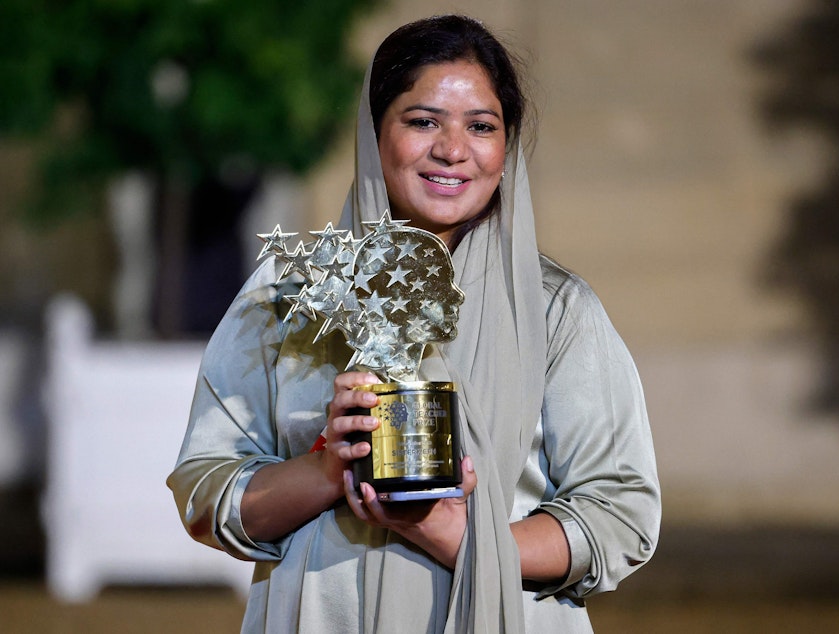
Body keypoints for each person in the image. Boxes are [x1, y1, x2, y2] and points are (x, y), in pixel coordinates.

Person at [167, 14, 660, 633]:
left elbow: (620, 516)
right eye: (423, 121)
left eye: (481, 127)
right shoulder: (290, 295)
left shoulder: (557, 310)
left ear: (506, 151)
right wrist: (328, 470)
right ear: (373, 134)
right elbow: (205, 491)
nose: (453, 150)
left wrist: (456, 536)